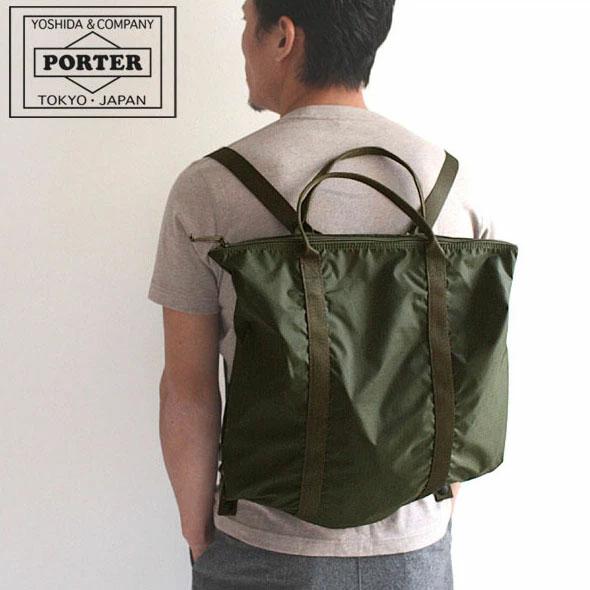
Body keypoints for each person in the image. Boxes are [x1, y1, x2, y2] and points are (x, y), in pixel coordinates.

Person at [148, 1, 495, 588]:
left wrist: (198, 535)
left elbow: (188, 388)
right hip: (414, 547)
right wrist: (437, 508)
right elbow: (470, 374)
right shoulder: (451, 185)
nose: (243, 43)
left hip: (261, 545)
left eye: (246, 23)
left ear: (283, 37)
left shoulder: (209, 189)